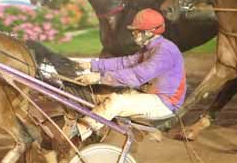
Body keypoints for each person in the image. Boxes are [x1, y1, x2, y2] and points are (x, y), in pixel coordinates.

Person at [71, 8, 185, 141]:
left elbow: (136, 76)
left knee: (115, 101)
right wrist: (92, 65)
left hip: (165, 103)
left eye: (137, 31)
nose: (133, 34)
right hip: (149, 95)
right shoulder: (149, 48)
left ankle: (77, 133)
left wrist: (99, 78)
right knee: (102, 93)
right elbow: (124, 63)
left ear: (148, 32)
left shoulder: (165, 51)